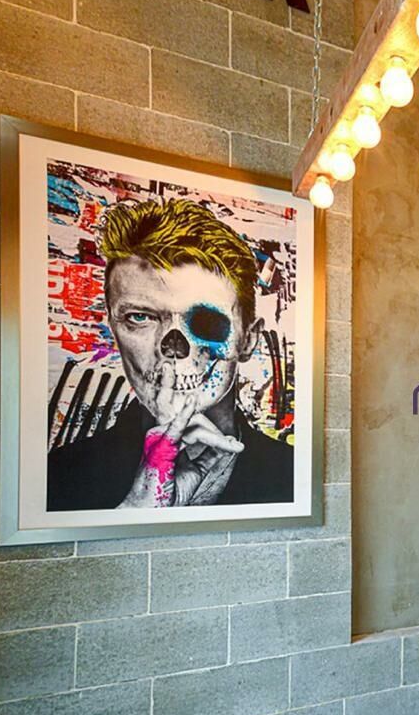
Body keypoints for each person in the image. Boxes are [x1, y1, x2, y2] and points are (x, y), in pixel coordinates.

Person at [47, 199, 293, 510]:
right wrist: (136, 508)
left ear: (248, 340)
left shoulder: (294, 476)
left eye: (206, 319)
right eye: (140, 317)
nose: (173, 346)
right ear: (114, 329)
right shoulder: (59, 479)